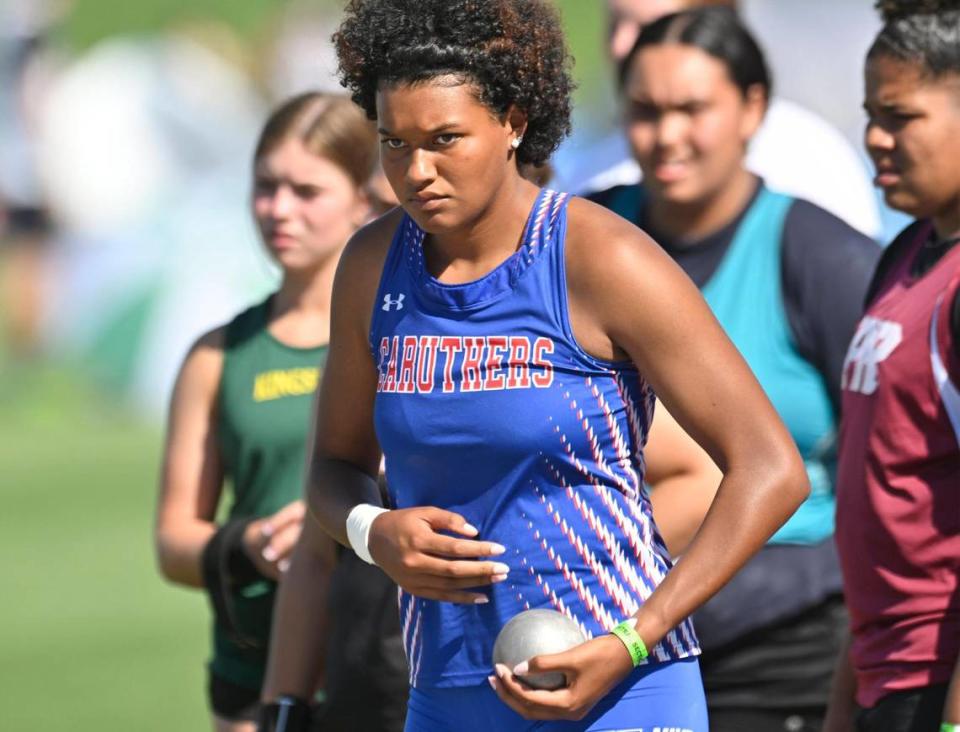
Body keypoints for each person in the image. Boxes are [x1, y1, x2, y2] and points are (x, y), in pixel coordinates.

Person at [258, 1, 810, 730]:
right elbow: (333, 466)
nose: (415, 171)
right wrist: (372, 531)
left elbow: (772, 469)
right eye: (394, 143)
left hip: (623, 689)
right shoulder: (371, 266)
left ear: (514, 120)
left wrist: (632, 638)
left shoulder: (601, 256)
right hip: (447, 694)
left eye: (444, 139)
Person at [589, 8, 881, 730]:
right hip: (602, 627)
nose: (668, 137)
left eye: (693, 109)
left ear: (753, 107)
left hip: (783, 642)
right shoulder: (584, 239)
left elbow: (901, 456)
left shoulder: (817, 255)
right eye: (646, 111)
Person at [154, 92, 383, 731]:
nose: (279, 209)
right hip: (253, 680)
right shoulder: (219, 355)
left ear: (364, 199)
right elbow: (172, 541)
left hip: (378, 666)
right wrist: (249, 543)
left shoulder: (400, 339)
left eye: (306, 191)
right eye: (265, 187)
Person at [824, 2, 960, 730]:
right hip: (884, 676)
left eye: (900, 116)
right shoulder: (903, 258)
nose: (875, 139)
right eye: (871, 114)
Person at [560, 0, 881, 239]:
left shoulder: (811, 161)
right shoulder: (590, 177)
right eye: (614, 25)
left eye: (650, 29)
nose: (621, 46)